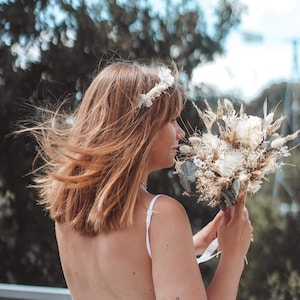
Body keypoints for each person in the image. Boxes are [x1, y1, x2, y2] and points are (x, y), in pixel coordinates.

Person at [28, 60, 253, 299]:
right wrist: (233, 256)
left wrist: (188, 245)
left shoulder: (67, 213)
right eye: (171, 120)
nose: (181, 132)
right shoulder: (161, 215)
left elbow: (125, 264)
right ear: (140, 127)